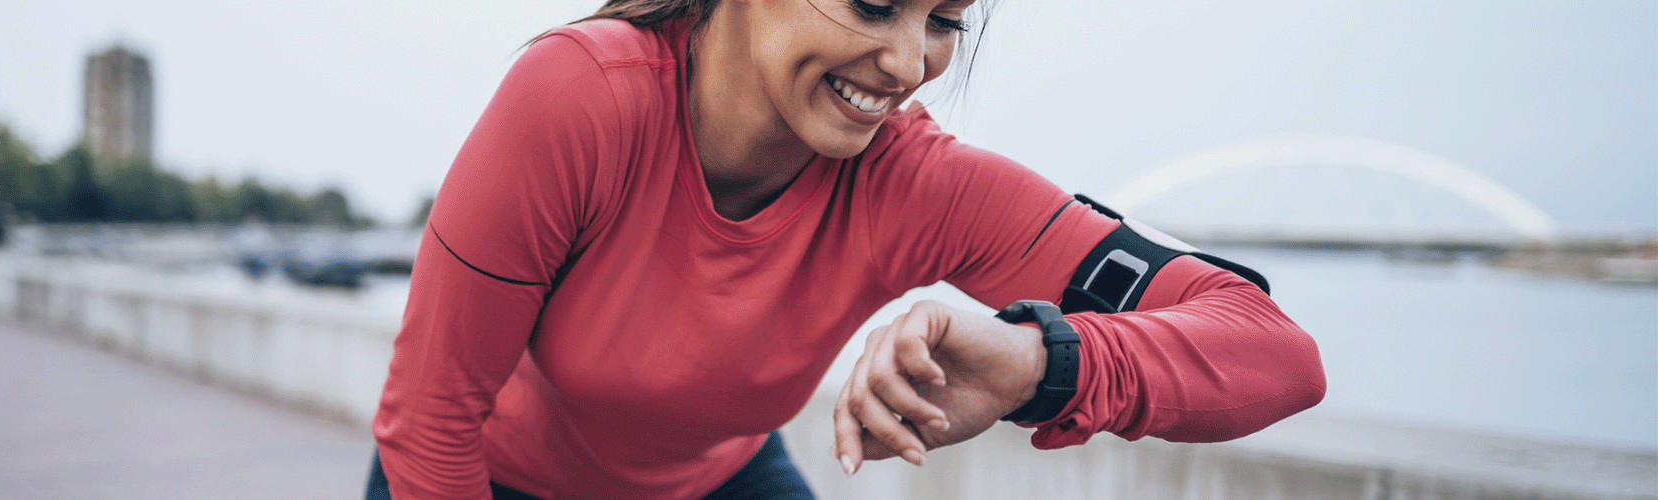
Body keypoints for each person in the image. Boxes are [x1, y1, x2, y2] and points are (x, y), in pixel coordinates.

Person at [369, 0, 1327, 499]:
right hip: (479, 480)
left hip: (716, 483)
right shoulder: (581, 95)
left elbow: (1275, 353)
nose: (913, 66)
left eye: (945, 20)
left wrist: (1042, 363)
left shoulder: (916, 183)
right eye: (874, 2)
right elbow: (430, 418)